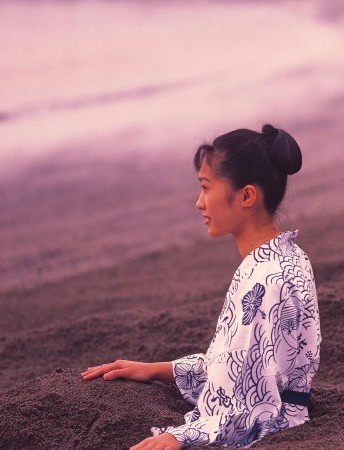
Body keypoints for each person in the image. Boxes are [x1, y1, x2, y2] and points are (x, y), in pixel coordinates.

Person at [81, 125, 320, 449]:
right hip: (287, 415)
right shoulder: (289, 255)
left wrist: (179, 436)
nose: (199, 203)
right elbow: (237, 366)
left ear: (247, 196)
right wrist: (157, 370)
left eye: (206, 188)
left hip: (273, 428)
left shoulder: (263, 282)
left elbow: (253, 405)